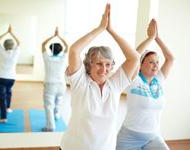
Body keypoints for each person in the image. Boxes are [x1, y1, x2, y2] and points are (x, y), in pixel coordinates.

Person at [60, 4, 139, 150]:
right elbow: (74, 50)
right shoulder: (80, 82)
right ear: (89, 64)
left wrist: (111, 30)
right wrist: (101, 28)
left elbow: (134, 57)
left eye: (108, 64)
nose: (104, 69)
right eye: (99, 64)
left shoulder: (115, 84)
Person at [116, 19, 174, 150]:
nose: (156, 66)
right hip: (129, 137)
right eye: (151, 62)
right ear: (140, 65)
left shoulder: (159, 79)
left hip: (153, 137)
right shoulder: (134, 79)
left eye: (157, 62)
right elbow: (133, 56)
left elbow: (171, 58)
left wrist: (157, 38)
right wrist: (150, 38)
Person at [41, 27, 68, 132]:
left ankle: (50, 126)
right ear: (60, 50)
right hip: (62, 85)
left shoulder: (47, 58)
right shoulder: (63, 58)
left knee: (49, 106)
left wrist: (53, 36)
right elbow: (67, 46)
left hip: (50, 85)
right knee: (58, 101)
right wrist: (58, 36)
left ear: (51, 49)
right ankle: (56, 115)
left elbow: (43, 45)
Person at [0, 25, 20, 123]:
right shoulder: (15, 52)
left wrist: (6, 32)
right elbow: (19, 42)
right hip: (11, 78)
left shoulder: (1, 51)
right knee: (8, 92)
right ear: (12, 46)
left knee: (2, 98)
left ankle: (3, 117)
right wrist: (11, 33)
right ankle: (8, 108)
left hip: (0, 77)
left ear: (4, 46)